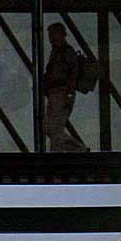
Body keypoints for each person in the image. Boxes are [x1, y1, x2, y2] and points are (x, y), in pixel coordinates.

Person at [43, 22, 87, 152]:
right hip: (56, 93)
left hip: (61, 92)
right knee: (49, 128)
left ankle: (60, 154)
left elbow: (73, 73)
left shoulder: (66, 51)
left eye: (52, 34)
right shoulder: (58, 51)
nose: (50, 38)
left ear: (61, 34)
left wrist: (68, 94)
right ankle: (78, 149)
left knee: (54, 129)